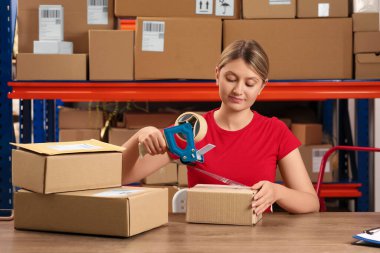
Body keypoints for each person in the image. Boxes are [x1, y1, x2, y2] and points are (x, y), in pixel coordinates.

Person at [122, 40, 320, 215]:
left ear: (262, 87)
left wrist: (277, 192)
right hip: (203, 237)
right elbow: (120, 176)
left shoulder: (274, 131)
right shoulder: (191, 128)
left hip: (258, 239)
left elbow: (311, 203)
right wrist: (141, 135)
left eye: (250, 83)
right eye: (231, 79)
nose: (238, 90)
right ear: (217, 75)